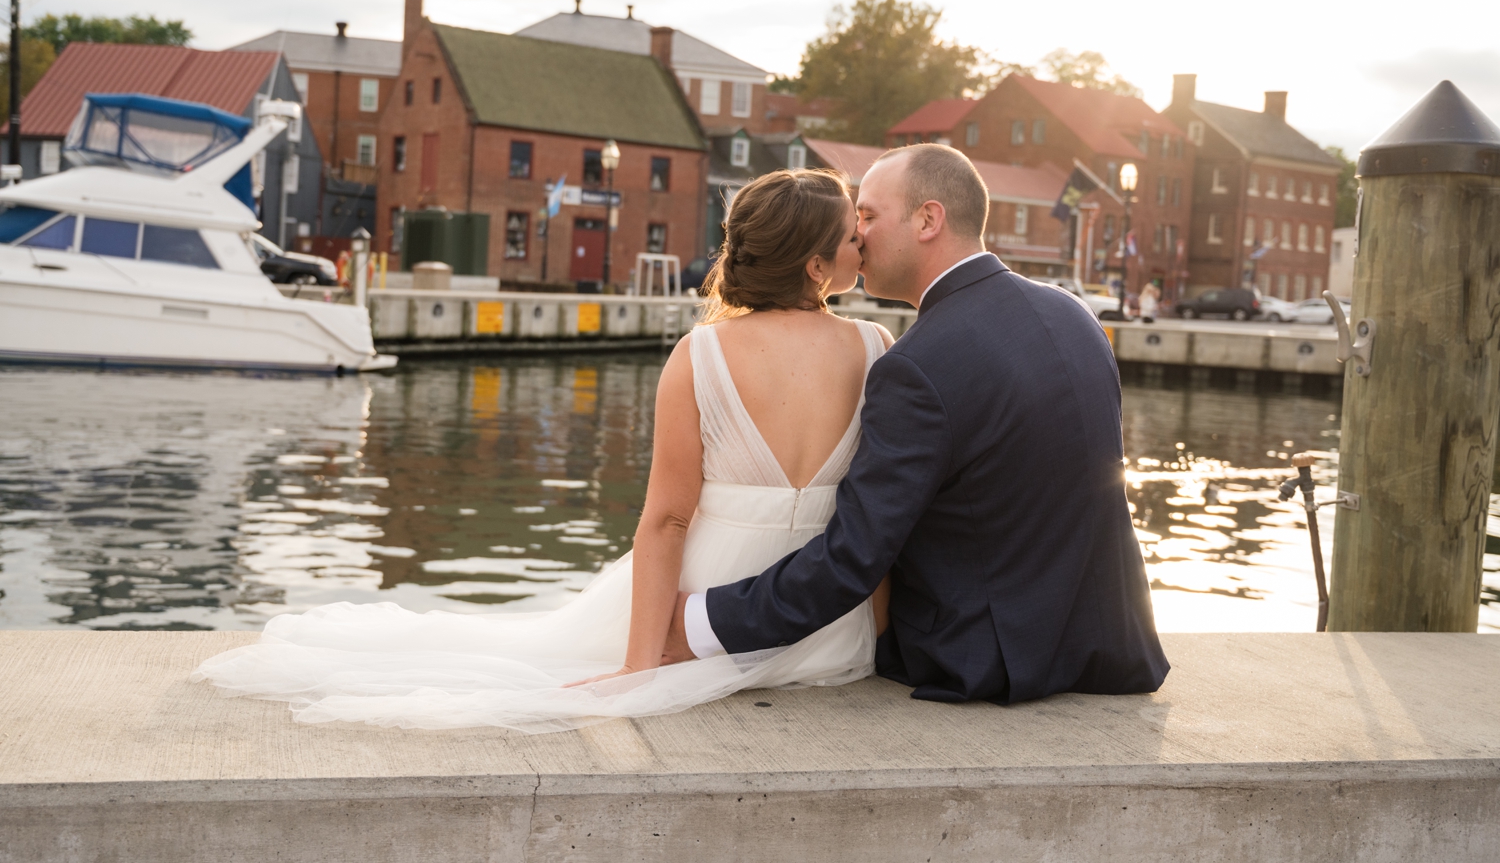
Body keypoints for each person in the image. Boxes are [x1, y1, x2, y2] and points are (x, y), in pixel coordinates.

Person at [192, 168, 896, 733]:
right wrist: (878, 635)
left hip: (700, 607)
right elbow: (875, 519)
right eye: (850, 236)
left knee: (534, 658)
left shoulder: (700, 354)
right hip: (826, 631)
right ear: (813, 266)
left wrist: (639, 663)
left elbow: (666, 521)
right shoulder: (875, 349)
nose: (861, 244)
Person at [661, 144, 1169, 705]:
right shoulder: (1072, 313)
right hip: (1107, 645)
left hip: (983, 656)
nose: (857, 235)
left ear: (929, 219)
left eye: (871, 217)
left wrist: (701, 624)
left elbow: (854, 555)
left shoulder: (916, 364)